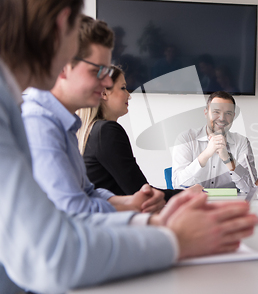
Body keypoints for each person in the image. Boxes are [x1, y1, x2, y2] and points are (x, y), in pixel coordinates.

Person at [0, 0, 257, 293]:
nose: (109, 84)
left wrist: (152, 219)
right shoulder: (34, 117)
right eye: (102, 71)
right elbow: (54, 254)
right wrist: (172, 237)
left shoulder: (45, 116)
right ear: (63, 24)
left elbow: (86, 199)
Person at [22, 15, 166, 214]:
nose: (107, 83)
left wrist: (129, 202)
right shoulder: (39, 124)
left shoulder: (67, 125)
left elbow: (87, 192)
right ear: (63, 66)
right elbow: (75, 212)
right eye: (98, 71)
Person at [77, 65, 202, 201]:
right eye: (123, 88)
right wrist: (186, 194)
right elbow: (140, 193)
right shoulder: (107, 131)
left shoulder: (91, 130)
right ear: (104, 93)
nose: (129, 96)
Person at [172, 91, 257, 192]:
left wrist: (228, 159)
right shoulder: (186, 139)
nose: (222, 118)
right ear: (206, 113)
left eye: (228, 113)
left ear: (233, 116)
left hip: (229, 205)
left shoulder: (242, 142)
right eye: (216, 112)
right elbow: (178, 184)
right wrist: (206, 154)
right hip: (194, 204)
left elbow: (251, 188)